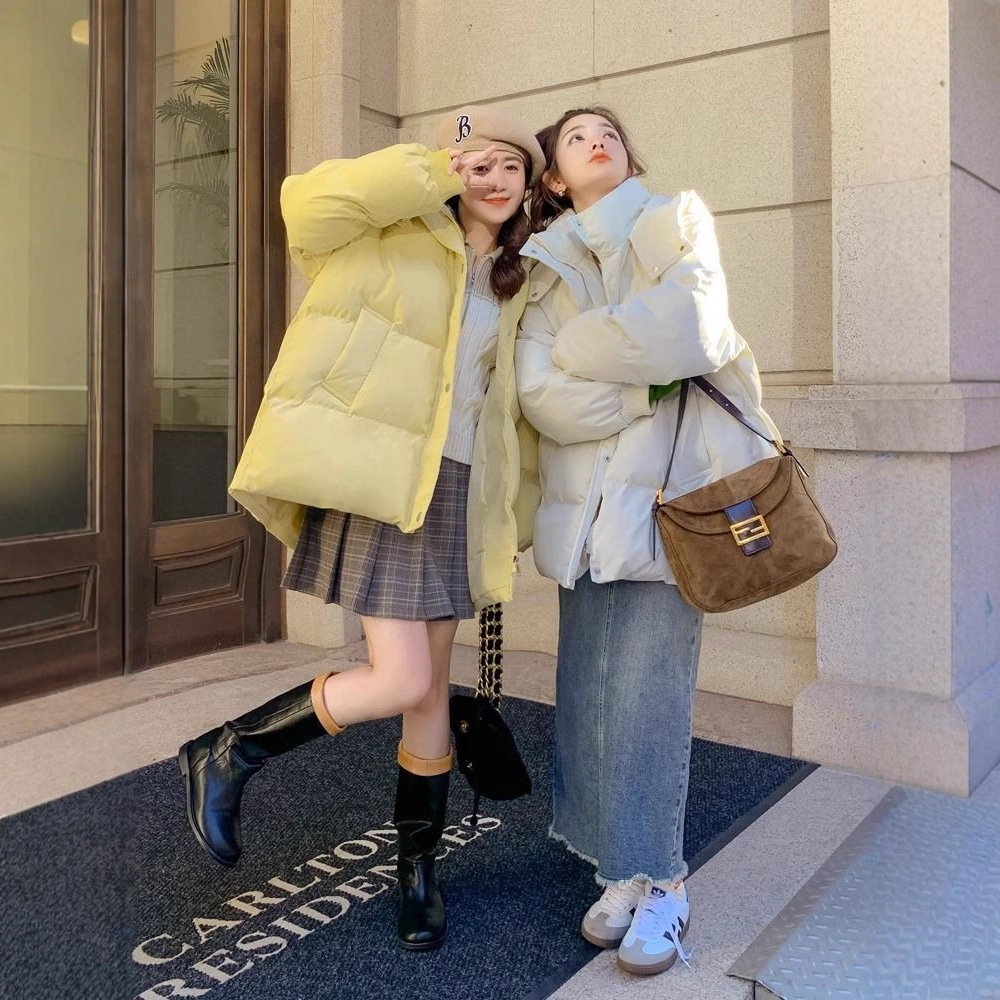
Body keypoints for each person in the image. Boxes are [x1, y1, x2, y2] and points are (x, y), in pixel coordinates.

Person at [178, 105, 543, 952]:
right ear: (450, 169)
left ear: (528, 186)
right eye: (477, 162)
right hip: (385, 478)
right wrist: (432, 165)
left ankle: (417, 874)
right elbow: (305, 205)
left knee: (429, 694)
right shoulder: (392, 230)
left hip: (457, 492)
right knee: (401, 678)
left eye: (510, 167)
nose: (492, 178)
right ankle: (230, 750)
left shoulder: (519, 278)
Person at [515, 107, 780, 976]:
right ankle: (617, 873)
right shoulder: (545, 266)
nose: (597, 137)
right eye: (575, 135)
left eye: (609, 130)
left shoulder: (674, 219)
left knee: (649, 697)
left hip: (670, 504)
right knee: (591, 696)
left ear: (628, 156)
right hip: (584, 515)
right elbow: (541, 396)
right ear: (554, 178)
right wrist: (640, 389)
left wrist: (584, 346)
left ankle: (662, 882)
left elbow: (693, 331)